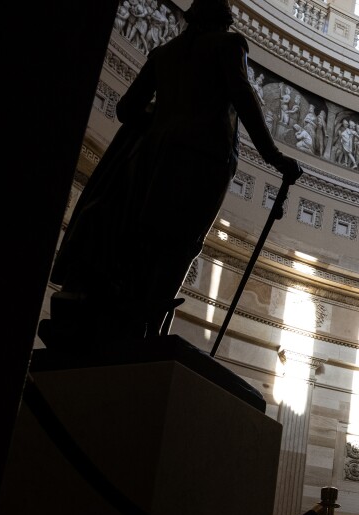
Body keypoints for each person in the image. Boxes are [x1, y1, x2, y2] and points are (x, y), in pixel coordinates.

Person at [42, 0, 302, 349]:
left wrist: (164, 121)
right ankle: (148, 328)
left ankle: (132, 322)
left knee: (144, 239)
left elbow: (124, 109)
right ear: (223, 20)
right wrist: (274, 156)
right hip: (203, 159)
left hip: (152, 156)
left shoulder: (165, 52)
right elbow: (243, 96)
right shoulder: (228, 44)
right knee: (180, 245)